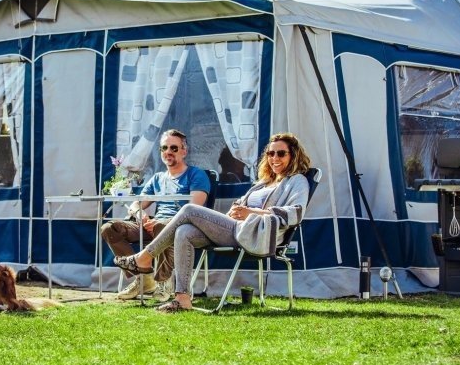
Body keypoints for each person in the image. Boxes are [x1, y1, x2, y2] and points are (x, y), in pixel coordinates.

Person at [114, 132, 311, 312]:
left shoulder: (297, 181)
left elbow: (296, 213)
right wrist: (236, 209)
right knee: (183, 231)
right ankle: (182, 299)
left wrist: (251, 212)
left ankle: (144, 258)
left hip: (255, 234)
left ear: (293, 155)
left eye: (281, 153)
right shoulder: (264, 182)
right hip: (236, 228)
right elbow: (242, 204)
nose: (274, 158)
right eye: (270, 153)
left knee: (189, 210)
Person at [101, 129, 210, 301]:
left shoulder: (196, 175)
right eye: (164, 148)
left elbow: (193, 211)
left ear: (184, 151)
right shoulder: (158, 178)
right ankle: (144, 278)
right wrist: (142, 217)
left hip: (182, 228)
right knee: (109, 228)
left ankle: (163, 281)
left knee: (161, 226)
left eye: (174, 148)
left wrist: (161, 222)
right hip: (154, 224)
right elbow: (136, 204)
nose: (168, 152)